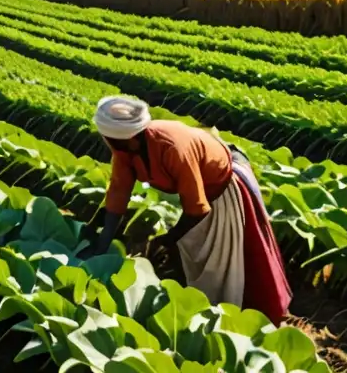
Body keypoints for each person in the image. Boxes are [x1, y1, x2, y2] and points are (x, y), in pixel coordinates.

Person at [93, 95, 291, 324]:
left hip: (224, 185)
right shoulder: (126, 150)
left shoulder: (171, 147)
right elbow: (118, 191)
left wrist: (168, 239)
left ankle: (233, 314)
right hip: (204, 193)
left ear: (123, 139)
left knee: (218, 261)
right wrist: (102, 243)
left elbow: (197, 210)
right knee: (192, 254)